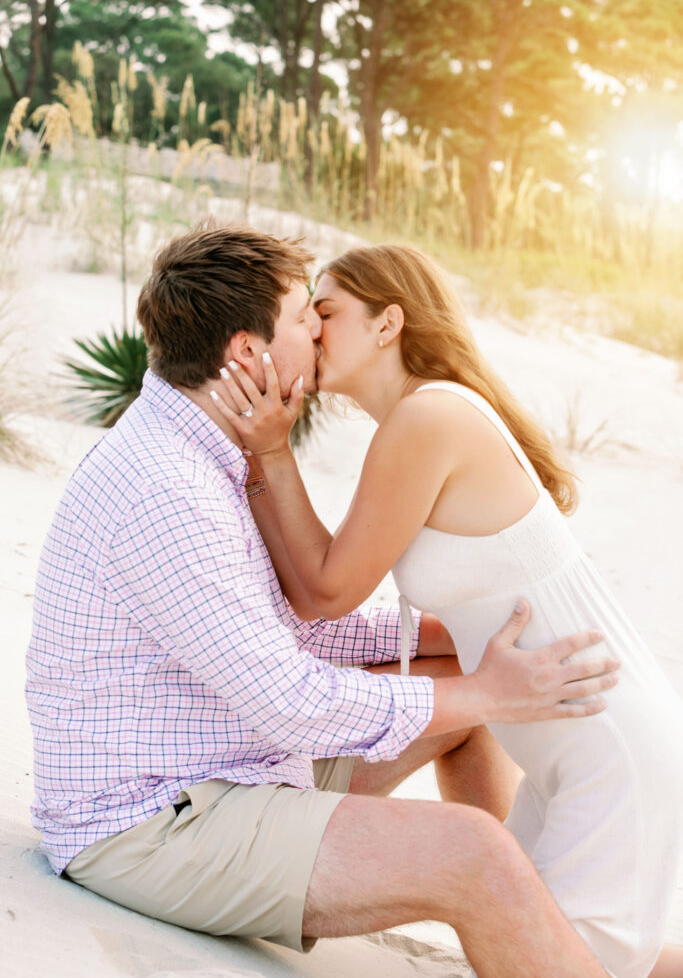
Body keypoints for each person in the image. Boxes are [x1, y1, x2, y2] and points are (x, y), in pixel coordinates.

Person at [26, 223, 621, 978]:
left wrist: (462, 645)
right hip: (152, 819)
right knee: (474, 851)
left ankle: (538, 938)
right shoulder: (165, 490)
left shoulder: (212, 447)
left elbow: (280, 633)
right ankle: (538, 932)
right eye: (304, 317)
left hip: (236, 760)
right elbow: (291, 702)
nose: (316, 331)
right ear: (246, 352)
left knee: (456, 703)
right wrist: (484, 690)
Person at [211, 241, 683, 978]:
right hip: (575, 748)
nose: (311, 331)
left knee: (560, 962)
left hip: (608, 751)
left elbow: (325, 589)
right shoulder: (421, 418)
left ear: (387, 323)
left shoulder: (427, 421)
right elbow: (326, 598)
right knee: (549, 947)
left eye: (327, 312)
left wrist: (271, 453)